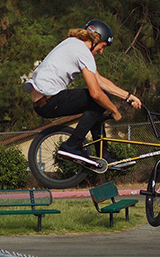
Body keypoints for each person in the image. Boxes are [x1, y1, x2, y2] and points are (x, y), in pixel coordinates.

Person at [23, 20, 142, 170]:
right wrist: (114, 110)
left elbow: (100, 81)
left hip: (44, 101)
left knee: (98, 106)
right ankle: (72, 145)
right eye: (102, 46)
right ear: (96, 39)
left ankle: (103, 153)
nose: (101, 52)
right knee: (100, 99)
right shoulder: (83, 52)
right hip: (50, 100)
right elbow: (96, 92)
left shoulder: (72, 44)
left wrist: (128, 96)